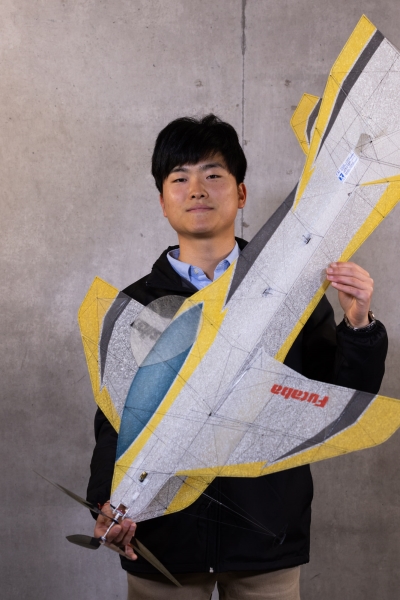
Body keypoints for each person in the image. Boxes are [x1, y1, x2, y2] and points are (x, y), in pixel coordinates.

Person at [87, 115, 388, 600]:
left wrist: (358, 323)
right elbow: (115, 422)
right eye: (179, 178)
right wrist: (107, 502)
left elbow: (340, 400)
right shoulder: (138, 306)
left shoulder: (291, 293)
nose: (197, 189)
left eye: (213, 174)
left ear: (241, 193)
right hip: (164, 543)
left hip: (265, 539)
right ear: (162, 200)